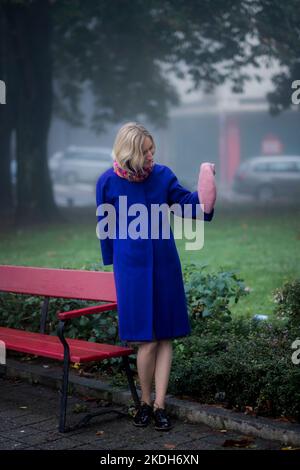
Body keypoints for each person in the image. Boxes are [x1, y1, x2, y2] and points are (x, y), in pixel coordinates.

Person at [96, 122, 215, 431]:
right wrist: (115, 264)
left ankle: (160, 405)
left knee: (165, 336)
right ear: (131, 153)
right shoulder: (107, 182)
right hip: (130, 268)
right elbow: (105, 227)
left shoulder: (163, 175)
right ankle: (144, 403)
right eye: (146, 151)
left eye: (153, 150)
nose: (152, 156)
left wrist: (206, 182)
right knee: (146, 340)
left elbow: (190, 206)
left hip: (164, 265)